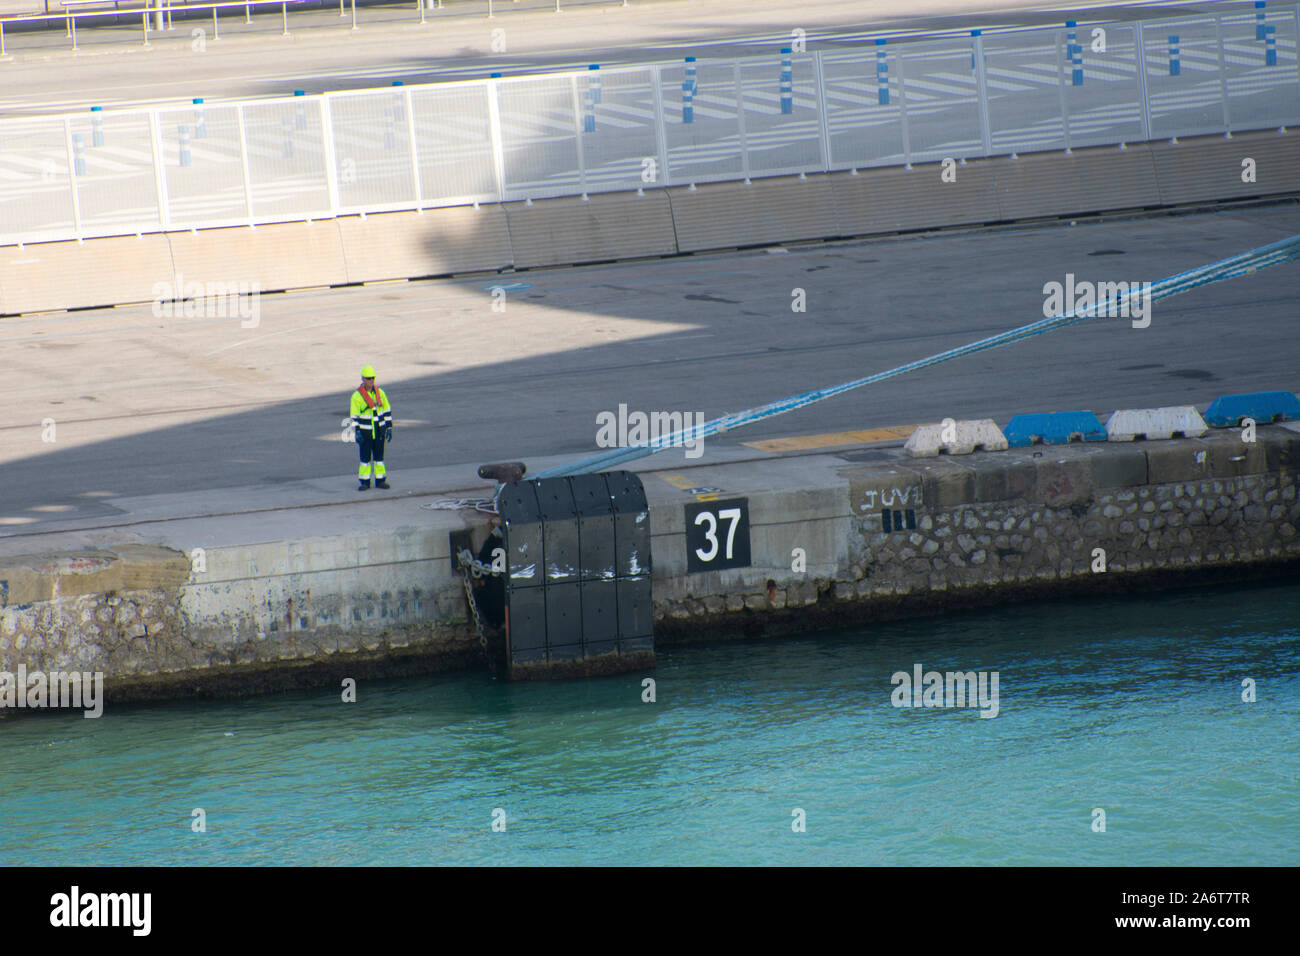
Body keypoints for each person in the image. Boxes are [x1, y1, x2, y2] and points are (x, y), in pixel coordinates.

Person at [350, 365, 392, 490]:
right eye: (368, 378)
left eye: (372, 378)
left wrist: (389, 427)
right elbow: (354, 416)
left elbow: (387, 410)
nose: (371, 381)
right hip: (365, 433)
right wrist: (357, 431)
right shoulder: (357, 396)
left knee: (379, 458)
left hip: (379, 431)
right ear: (363, 379)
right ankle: (364, 482)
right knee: (365, 459)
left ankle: (380, 481)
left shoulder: (380, 393)